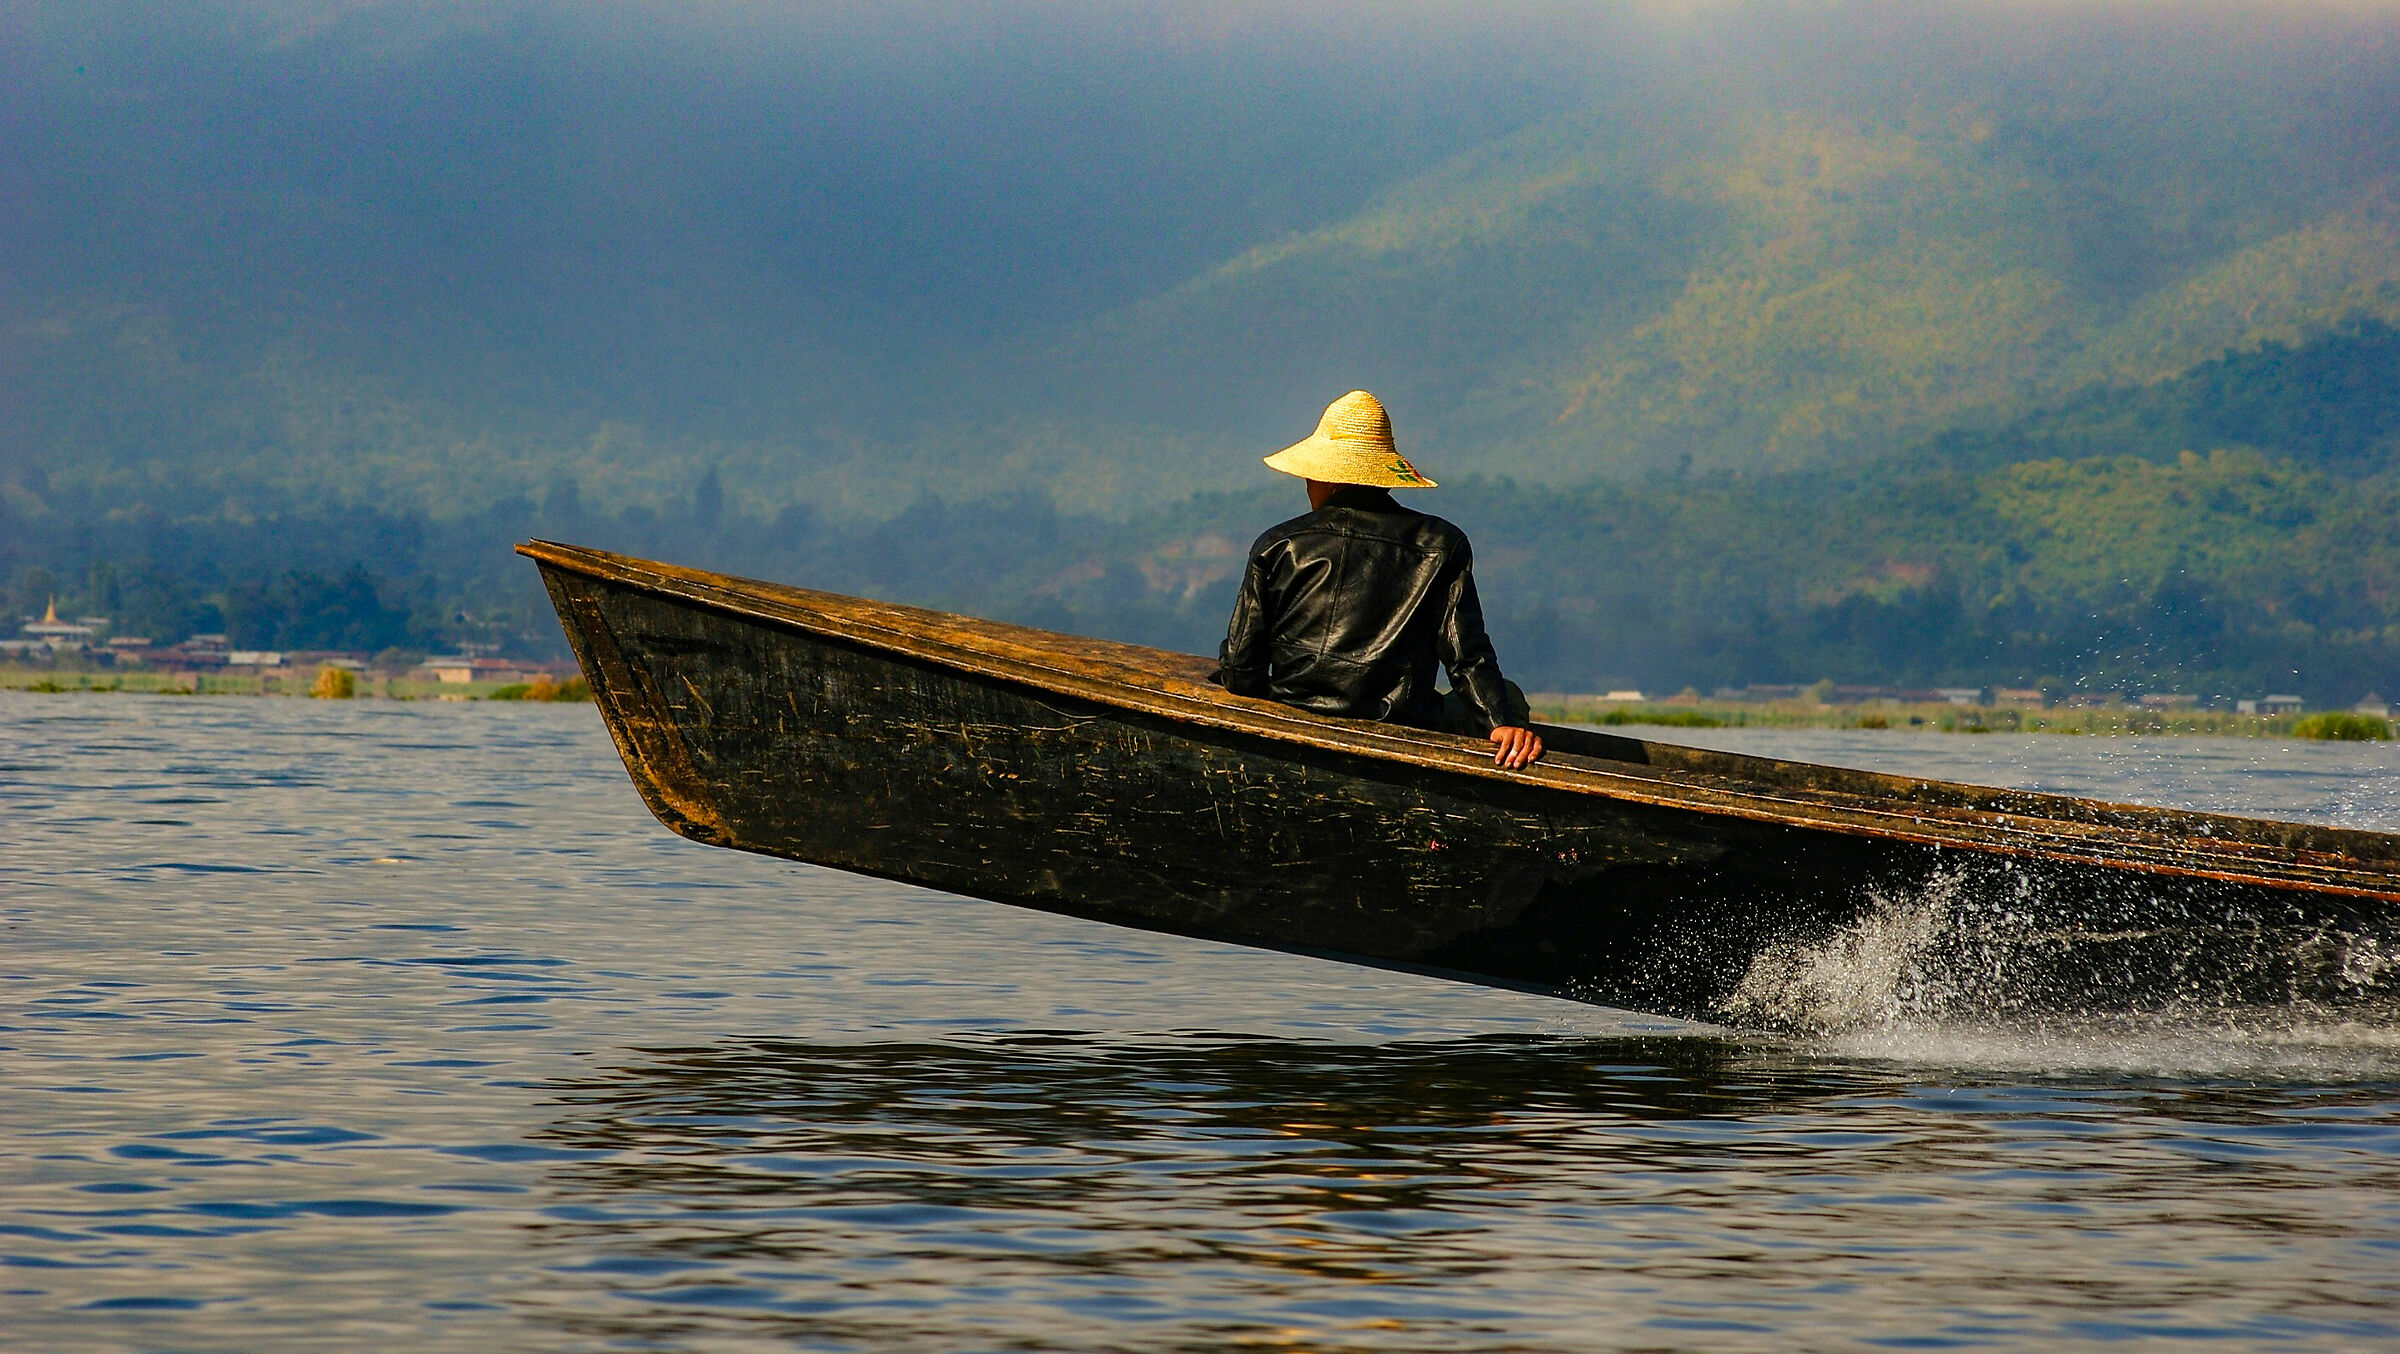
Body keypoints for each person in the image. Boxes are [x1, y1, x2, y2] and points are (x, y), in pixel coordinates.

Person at [1213, 390, 1544, 769]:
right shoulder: (1441, 545)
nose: (1306, 484)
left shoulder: (1277, 545)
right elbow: (1466, 655)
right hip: (1401, 724)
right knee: (1511, 697)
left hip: (1297, 718)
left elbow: (1241, 671)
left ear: (1329, 479)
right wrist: (1500, 723)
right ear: (1383, 478)